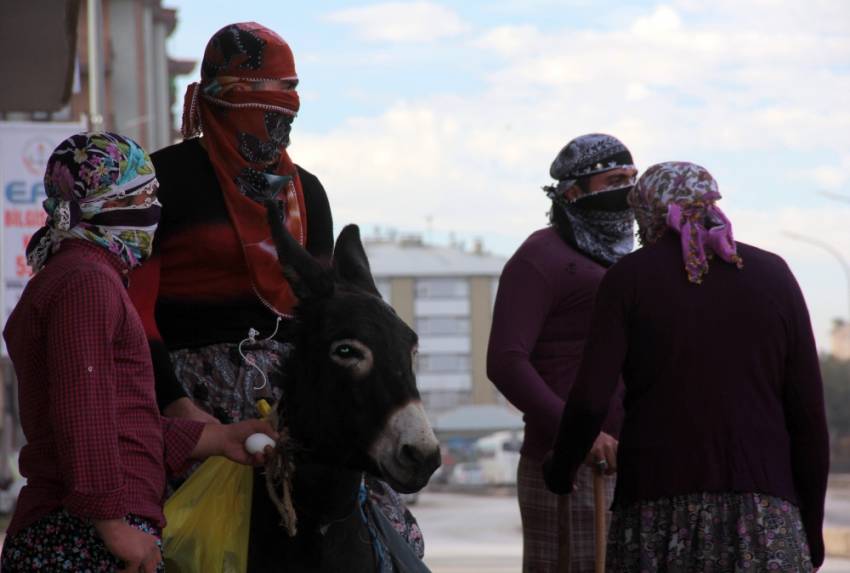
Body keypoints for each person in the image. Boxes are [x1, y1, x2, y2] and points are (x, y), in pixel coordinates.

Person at [128, 21, 424, 556]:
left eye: (289, 103)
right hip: (189, 391)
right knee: (160, 535)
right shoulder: (161, 180)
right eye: (266, 102)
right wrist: (176, 405)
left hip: (294, 387)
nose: (280, 119)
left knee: (379, 527)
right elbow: (136, 311)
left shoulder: (308, 191)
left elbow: (324, 311)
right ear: (220, 98)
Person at [0, 132, 276, 573]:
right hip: (82, 538)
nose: (156, 212)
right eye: (146, 195)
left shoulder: (82, 277)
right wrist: (113, 527)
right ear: (109, 203)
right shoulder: (86, 282)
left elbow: (120, 423)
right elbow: (83, 412)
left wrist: (223, 439)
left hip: (83, 530)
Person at [544, 161, 829, 572]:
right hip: (765, 514)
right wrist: (810, 528)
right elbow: (808, 419)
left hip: (657, 513)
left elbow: (590, 401)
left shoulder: (629, 279)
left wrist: (561, 467)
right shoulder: (774, 274)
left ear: (645, 210)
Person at [487, 133, 637, 572]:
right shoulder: (540, 257)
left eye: (632, 177)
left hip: (630, 465)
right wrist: (579, 436)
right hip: (569, 466)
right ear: (573, 193)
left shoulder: (626, 258)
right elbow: (505, 362)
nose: (627, 190)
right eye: (613, 180)